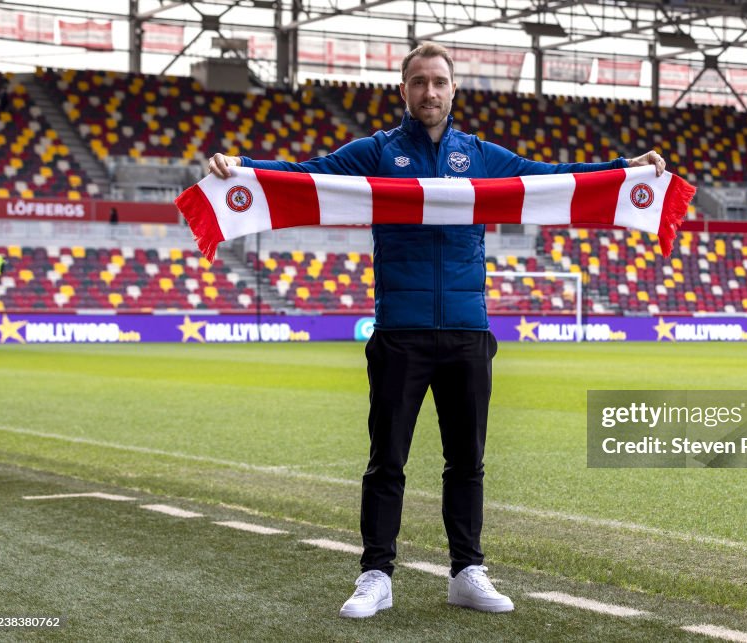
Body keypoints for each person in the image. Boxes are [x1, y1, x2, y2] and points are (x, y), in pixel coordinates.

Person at [208, 42, 665, 618]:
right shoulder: (376, 152)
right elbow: (308, 176)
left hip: (469, 332)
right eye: (419, 82)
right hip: (401, 330)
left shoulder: (479, 155)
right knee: (387, 461)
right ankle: (376, 575)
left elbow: (553, 179)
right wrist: (242, 170)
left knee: (467, 461)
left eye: (439, 82)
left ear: (454, 90)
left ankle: (467, 572)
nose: (429, 92)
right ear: (403, 91)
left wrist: (626, 171)